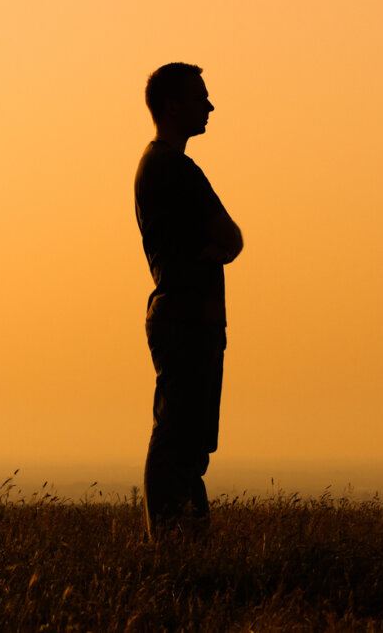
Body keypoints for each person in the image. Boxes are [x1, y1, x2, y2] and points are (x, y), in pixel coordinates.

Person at [134, 63, 242, 539]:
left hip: (185, 314)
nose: (210, 106)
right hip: (186, 317)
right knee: (179, 433)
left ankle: (187, 535)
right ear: (174, 106)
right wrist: (220, 250)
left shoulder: (158, 166)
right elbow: (231, 235)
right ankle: (171, 538)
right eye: (201, 97)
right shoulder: (174, 169)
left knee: (189, 436)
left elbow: (229, 240)